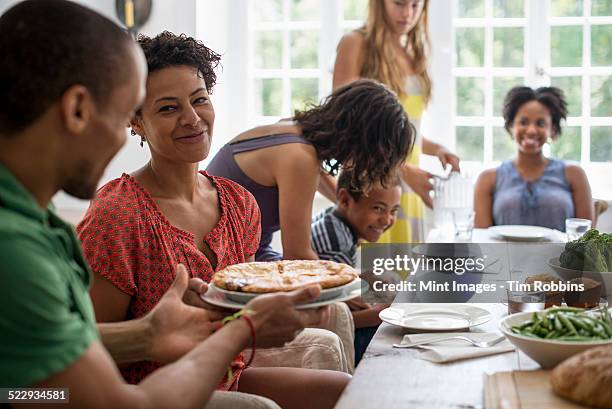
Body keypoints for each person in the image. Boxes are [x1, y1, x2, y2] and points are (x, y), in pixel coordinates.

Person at [0, 2, 338, 408]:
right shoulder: (17, 250)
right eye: (123, 113)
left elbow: (50, 359)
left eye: (199, 101)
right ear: (79, 110)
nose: (118, 140)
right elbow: (109, 402)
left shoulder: (34, 224)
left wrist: (145, 335)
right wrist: (241, 328)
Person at [76, 31, 350, 408]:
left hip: (224, 371)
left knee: (346, 390)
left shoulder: (239, 203)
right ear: (136, 122)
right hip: (149, 391)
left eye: (199, 99)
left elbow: (242, 306)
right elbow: (87, 349)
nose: (192, 119)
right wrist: (152, 332)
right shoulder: (119, 215)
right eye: (168, 108)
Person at [207, 79, 414, 261]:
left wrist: (359, 214)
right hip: (225, 257)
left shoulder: (296, 129)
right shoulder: (301, 158)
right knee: (362, 299)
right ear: (365, 141)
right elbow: (297, 256)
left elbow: (334, 194)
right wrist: (357, 286)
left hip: (243, 251)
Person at [333, 0, 461, 243]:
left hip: (407, 186)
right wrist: (402, 169)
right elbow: (344, 126)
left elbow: (401, 128)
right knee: (371, 276)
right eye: (399, 3)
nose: (408, 14)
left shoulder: (414, 52)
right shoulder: (355, 44)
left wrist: (436, 149)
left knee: (405, 275)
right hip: (371, 186)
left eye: (416, 5)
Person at [311, 169, 401, 364]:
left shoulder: (333, 220)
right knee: (390, 320)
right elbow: (336, 317)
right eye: (378, 208)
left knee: (391, 282)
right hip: (322, 323)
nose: (387, 220)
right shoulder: (336, 244)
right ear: (345, 200)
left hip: (334, 308)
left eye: (393, 211)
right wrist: (385, 312)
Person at [474, 86, 593, 231]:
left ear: (553, 129)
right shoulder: (488, 179)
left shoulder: (574, 174)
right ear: (511, 126)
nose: (531, 130)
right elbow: (482, 242)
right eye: (523, 122)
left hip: (562, 255)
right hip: (501, 255)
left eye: (540, 123)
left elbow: (586, 241)